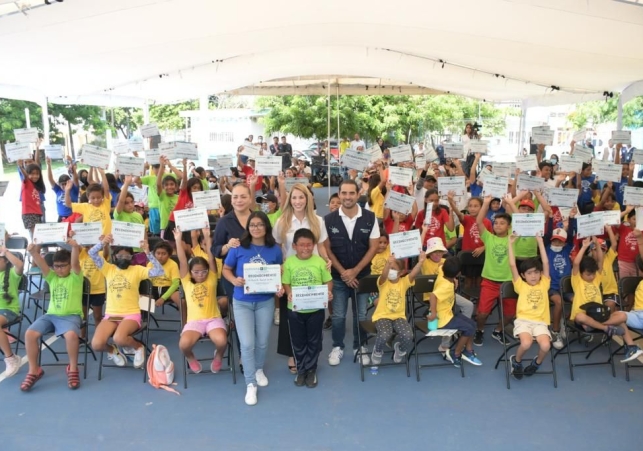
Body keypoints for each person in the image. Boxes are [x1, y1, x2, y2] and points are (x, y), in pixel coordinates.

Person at [222, 211, 284, 406]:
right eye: (252, 225)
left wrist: (279, 286)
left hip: (265, 301)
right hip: (242, 302)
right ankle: (250, 384)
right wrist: (234, 280)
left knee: (263, 341)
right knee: (247, 344)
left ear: (266, 226)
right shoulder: (239, 247)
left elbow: (278, 271)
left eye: (260, 224)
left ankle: (258, 369)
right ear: (248, 228)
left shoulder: (274, 249)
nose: (256, 228)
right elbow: (226, 269)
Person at [273, 184, 330, 373]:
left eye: (301, 197)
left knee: (312, 318)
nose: (298, 201)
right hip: (290, 274)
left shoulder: (318, 221)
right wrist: (279, 268)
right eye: (294, 198)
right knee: (292, 318)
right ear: (289, 200)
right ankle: (293, 355)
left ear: (308, 199)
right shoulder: (282, 221)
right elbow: (277, 247)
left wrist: (326, 260)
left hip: (312, 275)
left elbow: (321, 246)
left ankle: (311, 358)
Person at [324, 180, 380, 366]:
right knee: (338, 315)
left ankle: (360, 346)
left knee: (361, 315)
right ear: (339, 195)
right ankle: (337, 347)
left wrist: (355, 271)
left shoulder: (370, 218)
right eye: (344, 193)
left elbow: (373, 248)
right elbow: (327, 249)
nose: (347, 197)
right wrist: (343, 273)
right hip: (338, 278)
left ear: (357, 195)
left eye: (351, 193)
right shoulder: (328, 220)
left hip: (362, 276)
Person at [89, 235, 164, 369]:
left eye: (127, 256)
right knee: (96, 344)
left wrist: (147, 252)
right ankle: (113, 351)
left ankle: (138, 347)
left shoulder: (137, 270)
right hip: (111, 315)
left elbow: (159, 271)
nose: (124, 258)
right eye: (120, 255)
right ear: (115, 255)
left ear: (132, 257)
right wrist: (103, 243)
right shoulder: (108, 269)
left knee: (119, 338)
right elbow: (92, 253)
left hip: (131, 314)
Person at [21, 243, 84, 391]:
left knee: (71, 336)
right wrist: (33, 252)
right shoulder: (52, 278)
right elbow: (42, 264)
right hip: (51, 316)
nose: (59, 269)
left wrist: (74, 248)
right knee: (30, 334)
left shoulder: (76, 277)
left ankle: (73, 368)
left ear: (69, 265)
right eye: (56, 266)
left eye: (62, 266)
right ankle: (34, 370)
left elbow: (75, 262)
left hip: (70, 316)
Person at [282, 228, 333, 388]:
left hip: (316, 310)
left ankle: (311, 369)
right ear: (295, 246)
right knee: (298, 341)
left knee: (314, 340)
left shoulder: (320, 262)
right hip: (295, 310)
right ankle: (301, 369)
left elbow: (328, 281)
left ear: (314, 246)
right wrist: (289, 293)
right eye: (302, 245)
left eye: (309, 245)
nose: (306, 248)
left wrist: (329, 292)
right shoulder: (289, 262)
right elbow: (286, 282)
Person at [173, 227, 227, 373]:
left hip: (213, 319)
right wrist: (178, 240)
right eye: (196, 272)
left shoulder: (211, 279)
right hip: (194, 321)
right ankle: (191, 358)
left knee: (222, 341)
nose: (201, 274)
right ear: (190, 272)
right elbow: (182, 260)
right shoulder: (186, 281)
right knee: (183, 345)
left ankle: (218, 356)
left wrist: (207, 236)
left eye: (204, 271)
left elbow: (210, 257)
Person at [507, 234, 552, 379]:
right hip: (524, 321)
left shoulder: (544, 283)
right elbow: (512, 264)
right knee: (526, 344)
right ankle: (517, 361)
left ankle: (536, 363)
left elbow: (545, 262)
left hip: (540, 321)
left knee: (545, 346)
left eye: (536, 273)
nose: (533, 276)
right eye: (529, 273)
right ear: (523, 275)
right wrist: (511, 243)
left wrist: (539, 241)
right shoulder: (520, 285)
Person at [474, 195, 516, 346]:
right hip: (489, 281)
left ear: (509, 227)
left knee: (510, 314)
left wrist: (511, 203)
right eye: (496, 223)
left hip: (508, 282)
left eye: (502, 223)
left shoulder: (512, 238)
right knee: (482, 313)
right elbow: (478, 221)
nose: (498, 225)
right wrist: (485, 203)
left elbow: (519, 222)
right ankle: (479, 330)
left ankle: (498, 331)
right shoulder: (488, 237)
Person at [428, 257, 482, 367]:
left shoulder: (441, 273)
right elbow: (433, 296)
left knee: (472, 324)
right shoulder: (447, 286)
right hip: (443, 320)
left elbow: (440, 266)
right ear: (458, 273)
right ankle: (456, 354)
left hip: (449, 314)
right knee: (469, 328)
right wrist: (433, 313)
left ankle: (468, 350)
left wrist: (453, 280)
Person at [372, 253, 424, 365]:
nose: (390, 270)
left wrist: (420, 262)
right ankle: (377, 351)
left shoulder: (404, 282)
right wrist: (387, 263)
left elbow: (413, 273)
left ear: (401, 273)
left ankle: (400, 350)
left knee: (408, 335)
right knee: (385, 334)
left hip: (399, 317)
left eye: (393, 269)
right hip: (382, 316)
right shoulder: (383, 282)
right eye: (389, 268)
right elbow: (384, 275)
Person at [65, 167, 112, 237]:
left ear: (102, 196)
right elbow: (68, 204)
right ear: (88, 197)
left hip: (106, 240)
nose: (96, 200)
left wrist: (102, 174)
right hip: (91, 240)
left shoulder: (105, 204)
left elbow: (106, 189)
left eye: (98, 197)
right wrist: (67, 191)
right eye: (93, 198)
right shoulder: (85, 206)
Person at [0, 246, 24, 378]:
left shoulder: (13, 274)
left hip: (8, 310)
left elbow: (20, 264)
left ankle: (11, 358)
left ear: (6, 261)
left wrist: (6, 251)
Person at [18, 160, 45, 238]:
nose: (35, 176)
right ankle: (33, 250)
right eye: (32, 174)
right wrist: (21, 167)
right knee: (36, 237)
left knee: (38, 238)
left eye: (37, 174)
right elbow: (25, 176)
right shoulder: (26, 183)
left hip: (36, 213)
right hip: (29, 213)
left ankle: (35, 250)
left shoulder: (36, 186)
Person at [46, 157, 79, 222]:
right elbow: (50, 179)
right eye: (62, 184)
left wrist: (71, 164)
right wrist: (49, 165)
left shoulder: (74, 189)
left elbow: (75, 178)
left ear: (69, 182)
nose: (64, 186)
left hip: (72, 216)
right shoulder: (58, 190)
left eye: (66, 183)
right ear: (59, 184)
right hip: (61, 217)